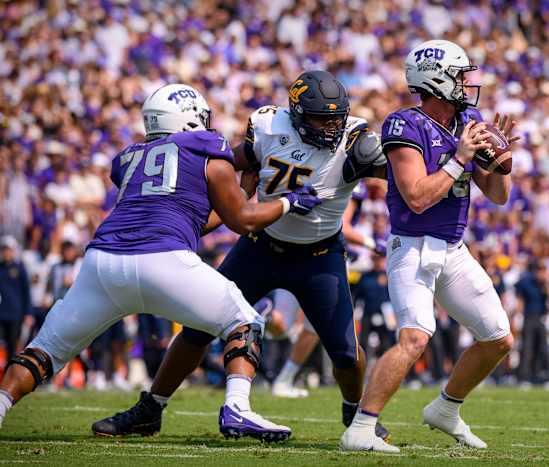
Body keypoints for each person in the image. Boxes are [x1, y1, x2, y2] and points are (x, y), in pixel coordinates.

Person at [0, 84, 322, 441]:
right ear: (191, 119)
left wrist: (243, 192)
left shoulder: (130, 158)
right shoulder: (206, 147)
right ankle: (237, 409)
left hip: (102, 264)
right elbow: (242, 221)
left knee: (44, 350)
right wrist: (289, 202)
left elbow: (195, 220)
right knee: (243, 320)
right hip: (162, 262)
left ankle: (1, 406)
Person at [91, 71, 391, 441]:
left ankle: (355, 415)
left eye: (336, 117)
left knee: (345, 350)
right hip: (260, 246)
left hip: (320, 255)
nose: (331, 126)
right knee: (198, 328)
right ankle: (151, 407)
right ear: (296, 114)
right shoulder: (267, 125)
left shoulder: (355, 139)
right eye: (320, 118)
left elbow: (394, 171)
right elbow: (233, 163)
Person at [341, 39, 517, 453]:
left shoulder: (467, 119)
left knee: (498, 338)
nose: (466, 83)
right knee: (414, 338)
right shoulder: (404, 125)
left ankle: (446, 408)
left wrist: (501, 162)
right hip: (413, 246)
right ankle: (361, 428)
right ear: (435, 79)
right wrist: (459, 158)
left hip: (453, 249)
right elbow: (417, 196)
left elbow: (497, 195)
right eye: (459, 75)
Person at [515, 259, 549, 385]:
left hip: (541, 318)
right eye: (541, 270)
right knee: (527, 348)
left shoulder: (546, 285)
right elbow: (520, 301)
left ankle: (545, 376)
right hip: (528, 318)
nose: (543, 273)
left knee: (543, 348)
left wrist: (547, 286)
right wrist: (518, 317)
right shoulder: (526, 282)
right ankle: (524, 378)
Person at [0, 236, 32, 362]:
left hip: (15, 314)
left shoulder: (19, 268)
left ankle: (8, 377)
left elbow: (26, 292)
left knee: (12, 346)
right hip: (1, 313)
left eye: (8, 249)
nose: (6, 252)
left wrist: (28, 313)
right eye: (4, 249)